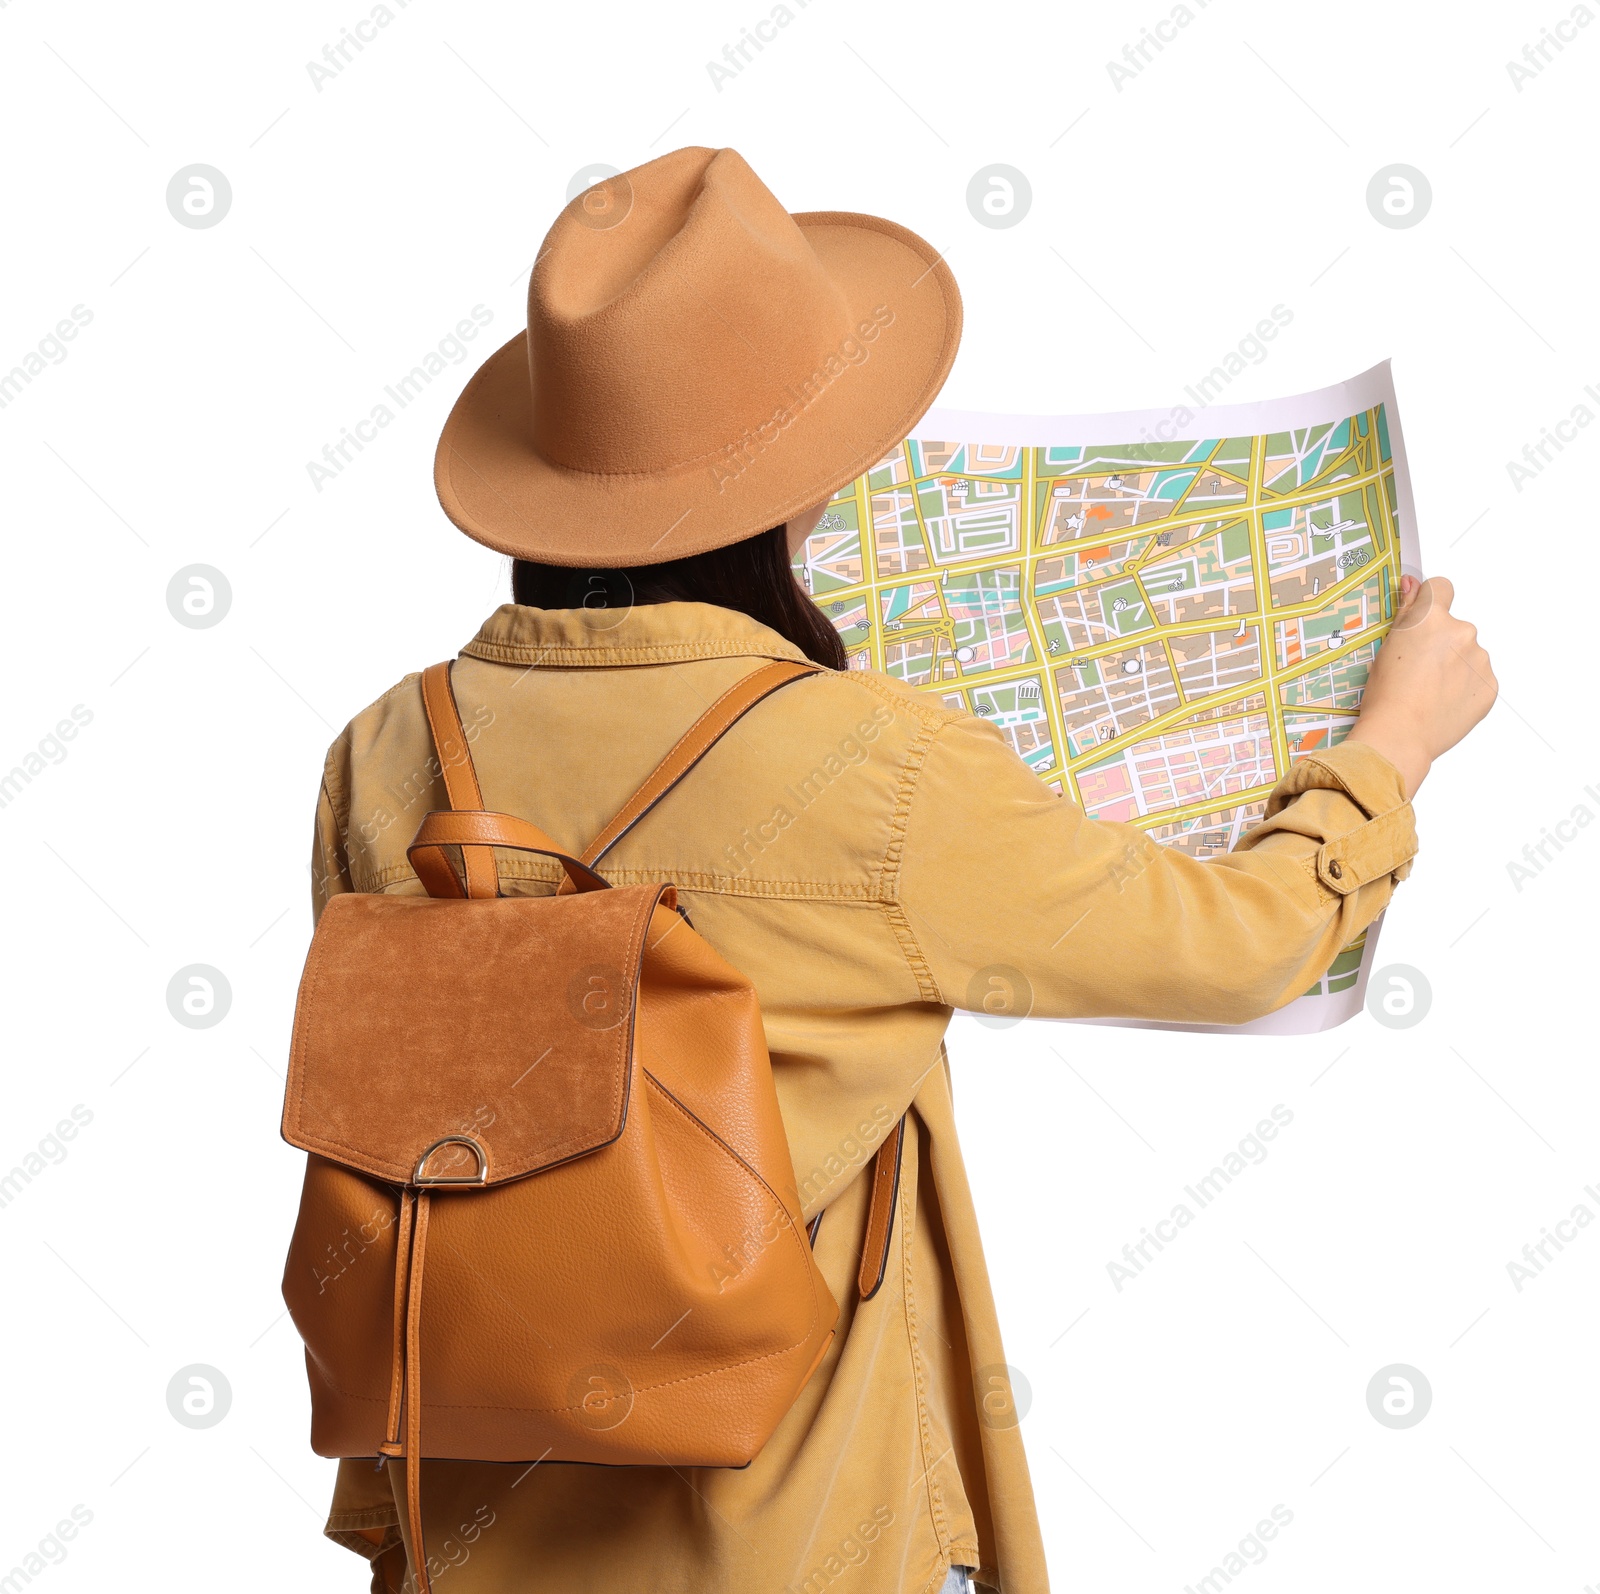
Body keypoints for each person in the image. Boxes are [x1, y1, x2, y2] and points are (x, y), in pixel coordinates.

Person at [306, 147, 1495, 1594]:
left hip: (459, 1543)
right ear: (805, 479)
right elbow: (1243, 946)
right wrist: (1394, 744)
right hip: (795, 1547)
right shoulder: (877, 768)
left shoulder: (386, 750)